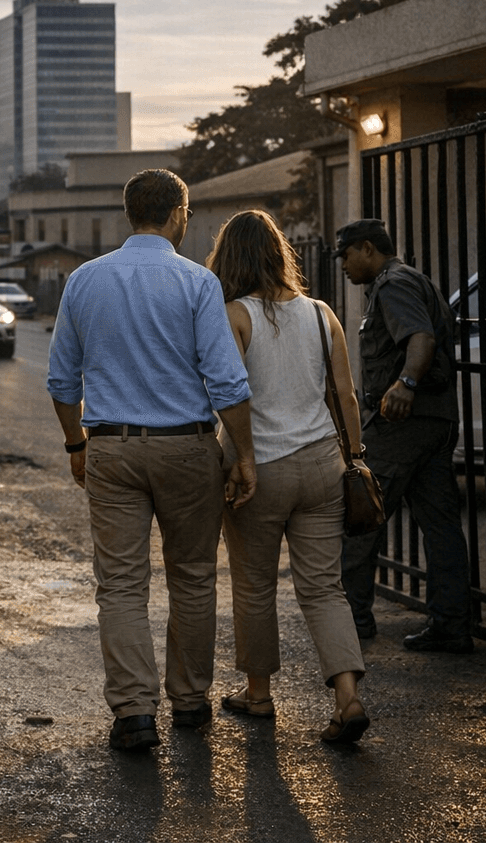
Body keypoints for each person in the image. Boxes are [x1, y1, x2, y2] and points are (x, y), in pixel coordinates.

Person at [47, 168, 257, 751]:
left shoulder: (85, 280)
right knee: (192, 577)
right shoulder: (197, 282)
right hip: (188, 447)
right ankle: (189, 703)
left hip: (111, 445)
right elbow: (227, 382)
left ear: (128, 213)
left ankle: (135, 713)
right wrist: (243, 454)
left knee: (120, 584)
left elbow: (62, 379)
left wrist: (75, 445)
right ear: (179, 214)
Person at [205, 210, 371, 744]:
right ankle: (347, 697)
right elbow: (345, 396)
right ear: (280, 254)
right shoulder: (322, 313)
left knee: (254, 587)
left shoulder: (234, 316)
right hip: (323, 465)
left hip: (260, 470)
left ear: (229, 259)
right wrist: (355, 456)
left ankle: (258, 695)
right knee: (324, 588)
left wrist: (236, 460)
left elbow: (228, 398)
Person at [335, 218, 473, 652]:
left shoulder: (393, 284)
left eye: (345, 253)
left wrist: (406, 384)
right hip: (436, 421)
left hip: (403, 425)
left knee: (362, 517)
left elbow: (420, 337)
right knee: (440, 526)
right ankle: (451, 624)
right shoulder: (412, 279)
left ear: (367, 249)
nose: (342, 263)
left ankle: (352, 620)